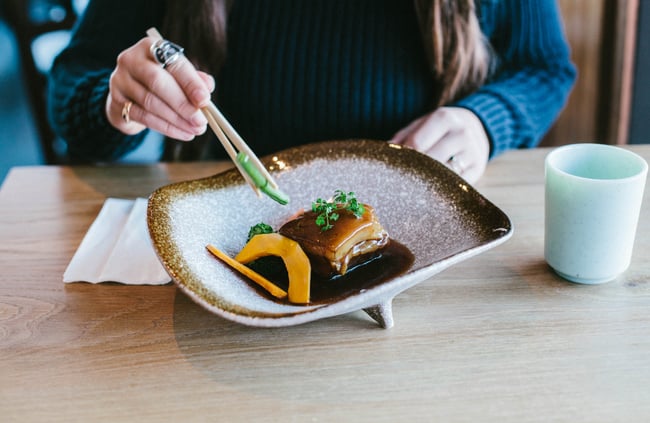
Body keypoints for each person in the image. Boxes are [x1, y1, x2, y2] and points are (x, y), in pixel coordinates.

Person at [48, 0, 576, 184]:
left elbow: (545, 67)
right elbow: (74, 81)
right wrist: (119, 101)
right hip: (232, 227)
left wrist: (485, 121)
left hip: (423, 233)